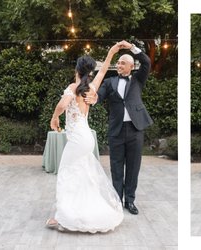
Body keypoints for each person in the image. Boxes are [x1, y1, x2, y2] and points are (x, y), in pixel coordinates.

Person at [45, 42, 124, 233]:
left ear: (76, 69)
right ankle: (80, 209)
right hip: (87, 138)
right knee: (82, 174)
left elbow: (63, 104)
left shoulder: (74, 87)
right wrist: (112, 51)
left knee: (66, 173)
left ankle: (64, 215)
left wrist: (54, 117)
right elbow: (104, 71)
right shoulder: (91, 88)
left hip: (78, 140)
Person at [86, 40, 153, 215]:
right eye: (118, 62)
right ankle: (116, 200)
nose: (119, 65)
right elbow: (98, 96)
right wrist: (92, 99)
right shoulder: (110, 82)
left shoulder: (138, 79)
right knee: (116, 167)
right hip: (116, 131)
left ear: (131, 66)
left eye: (123, 62)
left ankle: (130, 201)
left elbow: (146, 61)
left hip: (135, 129)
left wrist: (131, 47)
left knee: (133, 167)